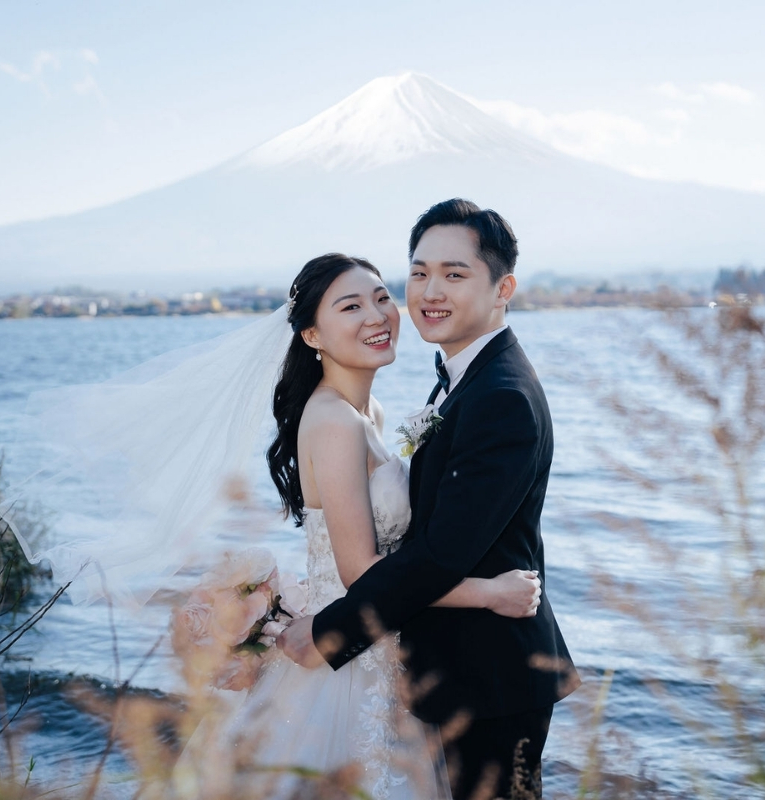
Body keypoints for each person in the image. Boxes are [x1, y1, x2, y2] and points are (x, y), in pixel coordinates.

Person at [174, 253, 543, 799]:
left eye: (380, 298)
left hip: (385, 647)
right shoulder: (332, 421)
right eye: (351, 306)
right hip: (347, 669)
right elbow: (359, 571)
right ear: (312, 335)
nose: (377, 316)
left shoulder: (370, 416)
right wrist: (489, 593)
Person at [280, 201, 580, 800]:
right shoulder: (462, 381)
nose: (429, 291)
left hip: (490, 680)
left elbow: (440, 554)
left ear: (503, 288)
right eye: (418, 274)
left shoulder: (500, 396)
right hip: (444, 670)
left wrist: (328, 632)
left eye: (454, 273)